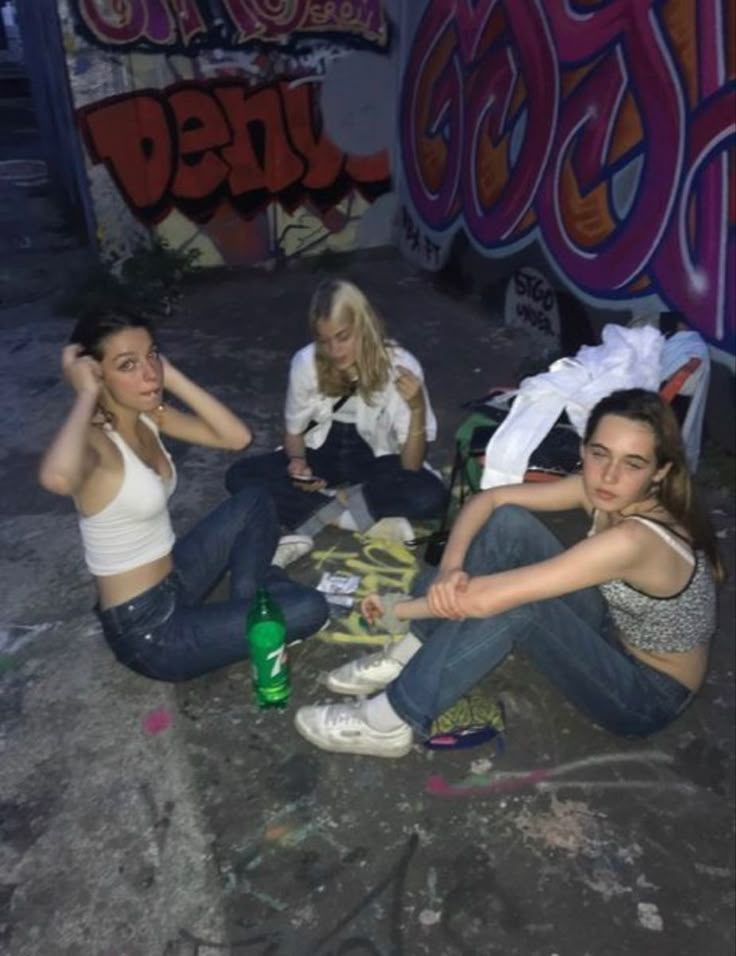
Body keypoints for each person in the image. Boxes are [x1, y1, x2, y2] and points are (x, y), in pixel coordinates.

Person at [294, 389, 722, 757]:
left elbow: (489, 599)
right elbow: (492, 501)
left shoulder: (633, 539)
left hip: (645, 694)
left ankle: (389, 720)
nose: (609, 475)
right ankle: (408, 653)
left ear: (659, 472)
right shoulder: (603, 492)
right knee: (510, 525)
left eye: (633, 463)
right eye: (600, 453)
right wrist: (451, 568)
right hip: (614, 629)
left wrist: (403, 608)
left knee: (516, 607)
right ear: (583, 449)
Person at [38, 311, 328, 682]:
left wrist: (168, 374)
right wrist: (85, 394)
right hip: (152, 633)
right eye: (128, 365)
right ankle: (259, 611)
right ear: (95, 374)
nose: (148, 374)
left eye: (152, 355)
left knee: (255, 500)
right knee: (310, 607)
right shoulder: (96, 444)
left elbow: (236, 438)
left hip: (175, 578)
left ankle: (252, 606)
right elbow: (57, 477)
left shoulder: (148, 415)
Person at [224, 278, 446, 541]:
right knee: (240, 476)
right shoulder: (306, 362)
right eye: (324, 340)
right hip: (322, 449)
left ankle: (323, 508)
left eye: (343, 337)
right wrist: (298, 462)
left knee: (429, 497)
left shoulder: (400, 365)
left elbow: (411, 465)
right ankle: (347, 516)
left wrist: (417, 408)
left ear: (363, 326)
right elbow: (294, 433)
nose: (334, 350)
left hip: (375, 455)